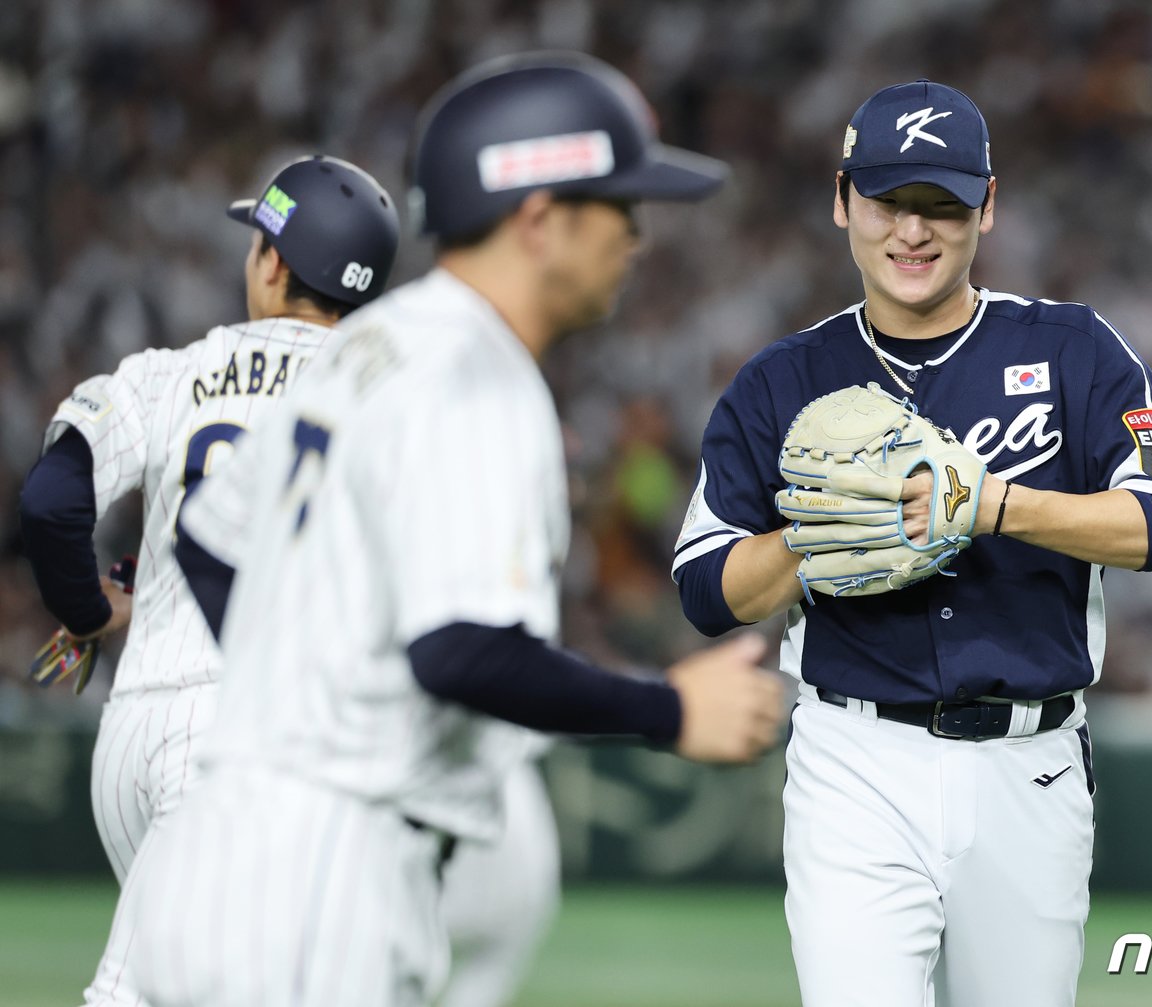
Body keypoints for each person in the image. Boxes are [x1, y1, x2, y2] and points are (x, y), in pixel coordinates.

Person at [123, 51, 785, 1007]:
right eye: (620, 206)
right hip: (319, 883)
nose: (638, 236)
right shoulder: (477, 379)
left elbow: (208, 538)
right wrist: (669, 710)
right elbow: (461, 652)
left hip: (228, 847)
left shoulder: (374, 344)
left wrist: (294, 692)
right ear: (540, 218)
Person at [672, 79, 1152, 1006]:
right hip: (855, 759)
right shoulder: (783, 379)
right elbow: (706, 588)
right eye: (887, 201)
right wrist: (817, 534)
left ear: (988, 207)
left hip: (1029, 763)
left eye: (942, 205)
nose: (912, 232)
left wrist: (996, 502)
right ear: (841, 200)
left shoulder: (1075, 349)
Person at [17, 153, 399, 1006]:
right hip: (245, 739)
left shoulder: (170, 372)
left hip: (132, 732)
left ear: (273, 261)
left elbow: (49, 501)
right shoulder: (387, 395)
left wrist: (85, 608)